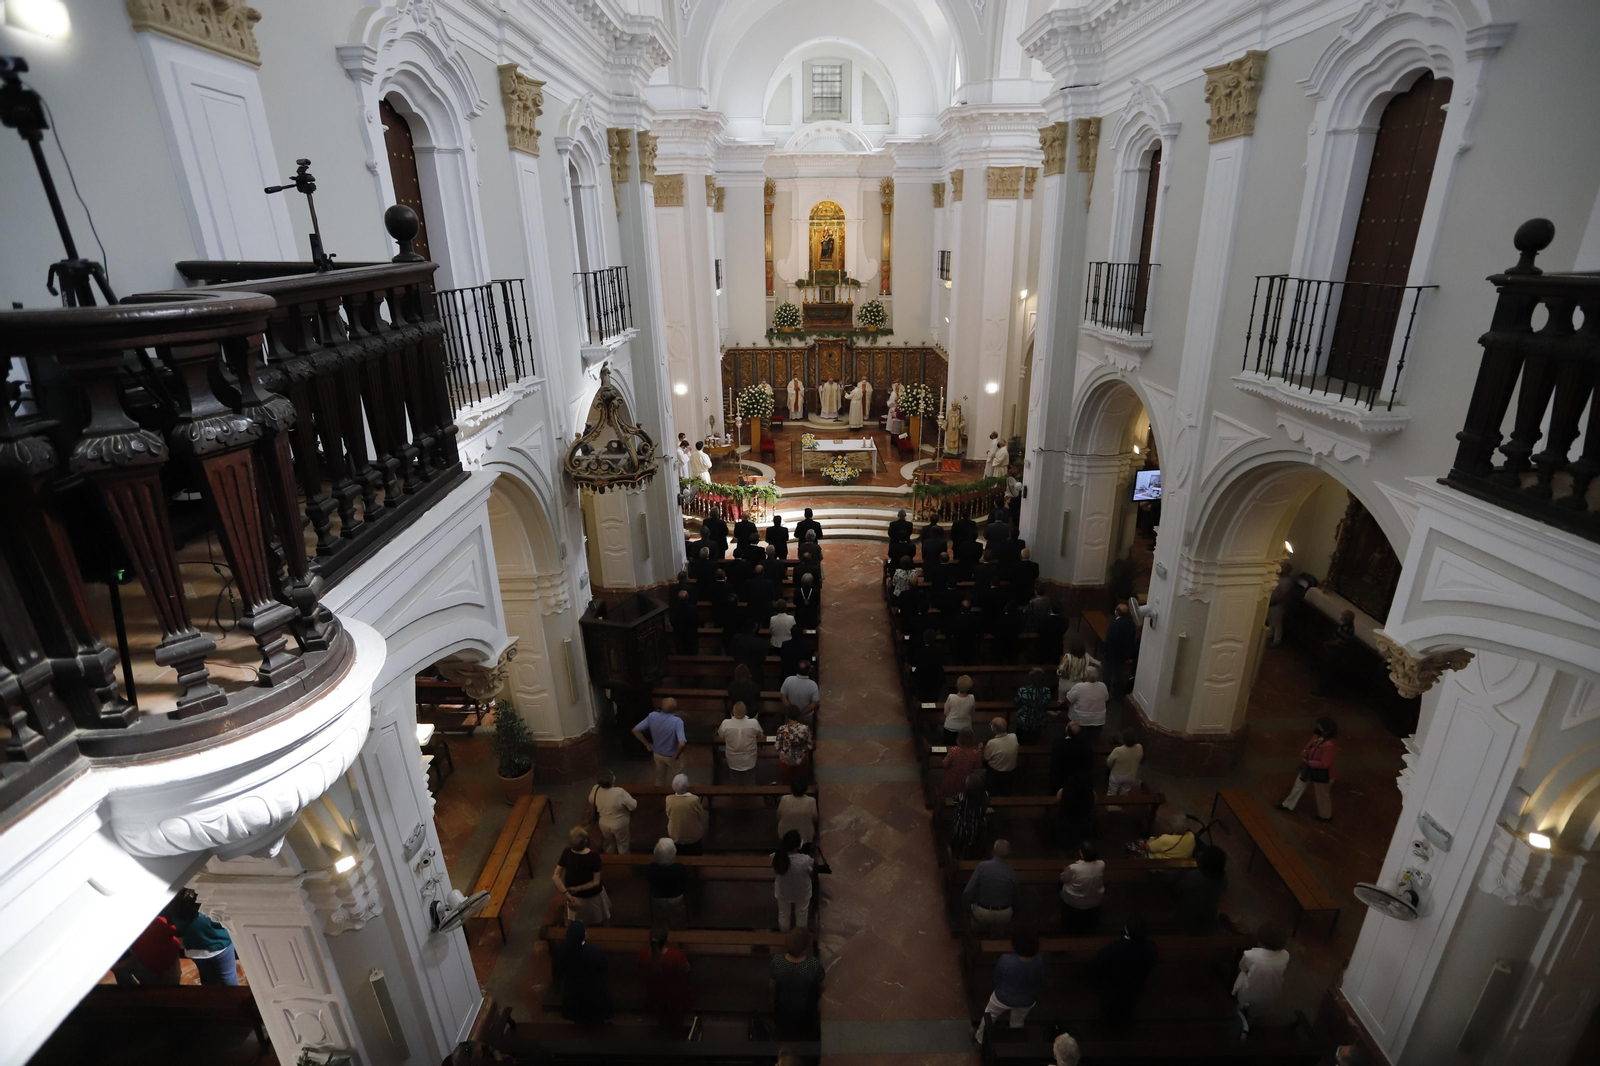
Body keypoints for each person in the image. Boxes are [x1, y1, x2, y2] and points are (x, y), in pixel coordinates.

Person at [974, 929, 1044, 1044]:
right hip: (1026, 1000)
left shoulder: (1006, 960)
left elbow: (997, 977)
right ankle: (1015, 1042)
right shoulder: (1039, 962)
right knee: (1017, 1022)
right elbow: (1039, 981)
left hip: (1002, 997)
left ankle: (980, 1038)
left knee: (990, 1015)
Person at [1095, 914, 1157, 1025]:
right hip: (1136, 985)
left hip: (1114, 986)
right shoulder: (1151, 948)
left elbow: (1100, 962)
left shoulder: (1114, 949)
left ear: (1127, 930)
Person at [1232, 922, 1291, 1039]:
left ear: (1260, 940)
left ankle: (1241, 1023)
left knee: (1243, 978)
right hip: (1270, 995)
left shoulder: (1250, 955)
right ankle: (1250, 1024)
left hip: (1249, 995)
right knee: (1255, 1013)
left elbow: (1242, 967)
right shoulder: (1285, 956)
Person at [168, 890, 238, 986]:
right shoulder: (211, 907)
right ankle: (233, 995)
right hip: (221, 947)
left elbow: (178, 930)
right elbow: (227, 925)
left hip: (195, 951)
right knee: (228, 976)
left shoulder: (179, 909)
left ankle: (211, 994)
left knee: (207, 978)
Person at [769, 928, 825, 1039]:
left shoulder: (777, 961)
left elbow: (772, 984)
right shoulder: (812, 963)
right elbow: (822, 985)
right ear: (805, 948)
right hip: (806, 1012)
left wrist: (771, 999)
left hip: (783, 1010)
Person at [1281, 717, 1338, 821]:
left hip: (1323, 774)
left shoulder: (1329, 745)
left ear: (1327, 731)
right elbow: (1309, 746)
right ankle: (1287, 805)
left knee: (1322, 795)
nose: (1318, 727)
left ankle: (1325, 816)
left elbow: (1325, 764)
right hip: (1309, 768)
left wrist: (1308, 762)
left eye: (1320, 726)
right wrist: (1305, 752)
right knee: (1298, 786)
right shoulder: (1317, 736)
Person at [636, 926, 693, 1029]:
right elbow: (687, 969)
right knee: (678, 1024)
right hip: (675, 997)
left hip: (654, 995)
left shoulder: (642, 955)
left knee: (661, 1023)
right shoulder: (675, 955)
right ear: (666, 940)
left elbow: (641, 972)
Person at [554, 826, 611, 925]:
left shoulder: (566, 852)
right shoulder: (593, 856)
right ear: (586, 841)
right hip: (592, 895)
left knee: (578, 918)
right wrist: (578, 888)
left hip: (574, 897)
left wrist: (567, 894)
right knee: (597, 916)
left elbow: (555, 877)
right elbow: (596, 882)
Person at [558, 920, 612, 1024]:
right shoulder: (594, 950)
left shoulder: (562, 951)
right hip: (594, 992)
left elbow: (559, 969)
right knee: (597, 1021)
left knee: (578, 1022)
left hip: (573, 993)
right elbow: (603, 967)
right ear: (583, 935)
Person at [963, 839, 1019, 932]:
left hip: (983, 913)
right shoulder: (1011, 872)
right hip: (1004, 914)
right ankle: (998, 937)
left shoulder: (982, 867)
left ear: (993, 851)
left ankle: (977, 936)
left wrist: (966, 909)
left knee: (974, 920)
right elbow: (1016, 898)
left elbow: (967, 892)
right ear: (1008, 854)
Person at [1172, 845, 1228, 934]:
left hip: (1186, 920)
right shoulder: (1222, 879)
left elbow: (1178, 890)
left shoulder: (1194, 876)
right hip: (1208, 920)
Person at [633, 701, 688, 784]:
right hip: (671, 756)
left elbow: (635, 730)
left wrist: (647, 744)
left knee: (660, 778)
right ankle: (678, 792)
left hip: (658, 755)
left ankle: (659, 792)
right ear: (674, 709)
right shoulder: (677, 721)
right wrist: (677, 755)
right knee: (680, 779)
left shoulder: (652, 716)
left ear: (661, 706)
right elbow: (682, 744)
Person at [772, 829, 815, 931]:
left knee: (783, 914)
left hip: (783, 891)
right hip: (802, 892)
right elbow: (812, 872)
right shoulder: (806, 860)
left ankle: (784, 934)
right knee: (802, 915)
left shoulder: (776, 857)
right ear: (798, 845)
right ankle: (799, 936)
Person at [1060, 842, 1106, 933]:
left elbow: (1063, 878)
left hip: (1073, 900)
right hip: (1095, 899)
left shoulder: (1073, 868)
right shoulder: (1102, 864)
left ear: (1081, 854)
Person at [587, 771, 638, 854]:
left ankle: (610, 858)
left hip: (603, 823)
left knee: (608, 844)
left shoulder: (595, 789)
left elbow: (591, 801)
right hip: (619, 823)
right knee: (623, 844)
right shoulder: (619, 792)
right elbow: (633, 806)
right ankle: (623, 859)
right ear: (612, 780)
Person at [1313, 611, 1360, 698]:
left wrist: (1328, 643)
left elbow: (1338, 641)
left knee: (1328, 670)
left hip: (1336, 651)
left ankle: (1322, 690)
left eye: (1342, 616)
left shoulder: (1346, 629)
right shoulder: (1346, 627)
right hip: (1336, 650)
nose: (1340, 617)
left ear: (1346, 618)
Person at [126, 915, 183, 986]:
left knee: (151, 985)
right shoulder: (159, 921)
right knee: (172, 985)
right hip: (169, 964)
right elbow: (174, 932)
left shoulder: (132, 929)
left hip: (147, 965)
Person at [647, 837, 689, 929]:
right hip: (676, 898)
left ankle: (662, 932)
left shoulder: (651, 867)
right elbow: (684, 879)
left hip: (657, 898)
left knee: (659, 919)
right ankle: (679, 933)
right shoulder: (679, 868)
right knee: (678, 919)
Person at [949, 773, 992, 862]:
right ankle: (975, 857)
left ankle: (960, 857)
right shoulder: (986, 795)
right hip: (979, 826)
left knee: (961, 843)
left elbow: (956, 803)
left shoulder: (962, 796)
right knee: (976, 844)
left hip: (963, 826)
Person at [718, 702, 764, 783]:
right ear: (745, 712)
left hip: (733, 759)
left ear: (733, 712)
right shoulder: (754, 723)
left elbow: (721, 735)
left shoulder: (725, 723)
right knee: (750, 781)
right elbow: (761, 735)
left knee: (734, 781)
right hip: (750, 759)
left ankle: (735, 790)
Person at [1102, 602, 1138, 699]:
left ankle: (1106, 693)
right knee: (1119, 672)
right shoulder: (1131, 624)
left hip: (1111, 653)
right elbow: (1131, 639)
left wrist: (1104, 650)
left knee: (1108, 673)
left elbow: (1109, 639)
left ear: (1117, 612)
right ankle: (1117, 693)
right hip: (1123, 653)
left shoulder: (1114, 624)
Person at [665, 774, 708, 855]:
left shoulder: (669, 799)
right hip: (693, 837)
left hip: (675, 835)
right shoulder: (694, 799)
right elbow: (701, 814)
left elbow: (668, 814)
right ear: (687, 786)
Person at [1066, 666, 1109, 743]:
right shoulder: (1103, 686)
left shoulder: (1079, 686)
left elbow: (1069, 699)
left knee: (1079, 740)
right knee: (1094, 740)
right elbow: (1106, 699)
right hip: (1098, 720)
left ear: (1085, 676)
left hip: (1081, 719)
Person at [940, 728, 984, 801]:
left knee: (948, 798)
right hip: (966, 781)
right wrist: (979, 750)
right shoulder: (975, 753)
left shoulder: (954, 750)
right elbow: (978, 766)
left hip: (952, 780)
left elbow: (945, 764)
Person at [1050, 719, 1094, 792]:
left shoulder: (1059, 744)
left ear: (1067, 731)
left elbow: (1054, 763)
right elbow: (1090, 763)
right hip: (1081, 780)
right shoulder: (1086, 745)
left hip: (1062, 779)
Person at [1132, 809, 1196, 858]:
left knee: (1135, 844)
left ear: (1171, 828)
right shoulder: (1191, 836)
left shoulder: (1166, 839)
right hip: (1179, 866)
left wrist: (1152, 838)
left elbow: (1148, 847)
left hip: (1160, 864)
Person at [1054, 775, 1095, 849]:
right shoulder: (1091, 793)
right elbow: (1093, 804)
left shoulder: (1062, 792)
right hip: (1083, 824)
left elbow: (1057, 802)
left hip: (1066, 824)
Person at [1013, 669, 1053, 745]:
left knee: (1020, 742)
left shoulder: (1023, 690)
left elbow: (1016, 702)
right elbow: (1047, 702)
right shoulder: (1046, 691)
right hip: (1038, 721)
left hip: (1023, 721)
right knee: (1034, 742)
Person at [776, 707, 814, 784]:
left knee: (786, 781)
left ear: (787, 716)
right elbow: (810, 745)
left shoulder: (782, 729)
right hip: (801, 758)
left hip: (786, 759)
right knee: (801, 781)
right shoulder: (805, 728)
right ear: (799, 715)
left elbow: (777, 746)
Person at [984, 717, 1020, 796]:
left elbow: (986, 758)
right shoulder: (1013, 736)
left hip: (995, 773)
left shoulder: (992, 743)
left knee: (991, 793)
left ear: (994, 729)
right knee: (1006, 793)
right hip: (1010, 772)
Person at [777, 777, 819, 846]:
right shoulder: (811, 801)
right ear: (805, 789)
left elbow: (778, 816)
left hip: (786, 836)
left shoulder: (784, 799)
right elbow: (815, 818)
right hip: (805, 837)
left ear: (791, 788)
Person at [780, 659, 821, 729]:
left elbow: (783, 696)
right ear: (809, 671)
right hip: (805, 716)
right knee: (805, 732)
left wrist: (791, 710)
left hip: (790, 716)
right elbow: (815, 703)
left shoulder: (788, 680)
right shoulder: (812, 685)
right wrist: (802, 713)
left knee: (789, 731)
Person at [1106, 730, 1144, 796]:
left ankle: (1111, 802)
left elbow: (1108, 763)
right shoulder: (1139, 747)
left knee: (1111, 793)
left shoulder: (1118, 750)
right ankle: (1122, 800)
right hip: (1131, 775)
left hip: (1117, 776)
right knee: (1124, 794)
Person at [912, 628, 945, 703]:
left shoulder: (919, 651)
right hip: (936, 680)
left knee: (922, 699)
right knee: (934, 699)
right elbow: (942, 661)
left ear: (924, 639)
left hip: (922, 679)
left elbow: (915, 662)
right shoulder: (939, 651)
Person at [1267, 560, 1294, 647]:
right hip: (1271, 603)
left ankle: (1276, 641)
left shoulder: (1287, 581)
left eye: (1282, 567)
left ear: (1286, 570)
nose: (1280, 568)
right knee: (1271, 621)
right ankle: (1270, 635)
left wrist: (1274, 602)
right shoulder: (1278, 577)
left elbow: (1283, 595)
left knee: (1277, 623)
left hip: (1278, 605)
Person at [943, 674, 976, 744]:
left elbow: (946, 712)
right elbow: (972, 713)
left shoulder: (951, 697)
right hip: (965, 727)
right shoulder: (972, 698)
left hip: (950, 726)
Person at [670, 587, 700, 655]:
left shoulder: (674, 610)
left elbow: (672, 622)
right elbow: (697, 623)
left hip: (679, 636)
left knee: (680, 652)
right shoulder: (693, 609)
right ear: (687, 598)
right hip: (691, 636)